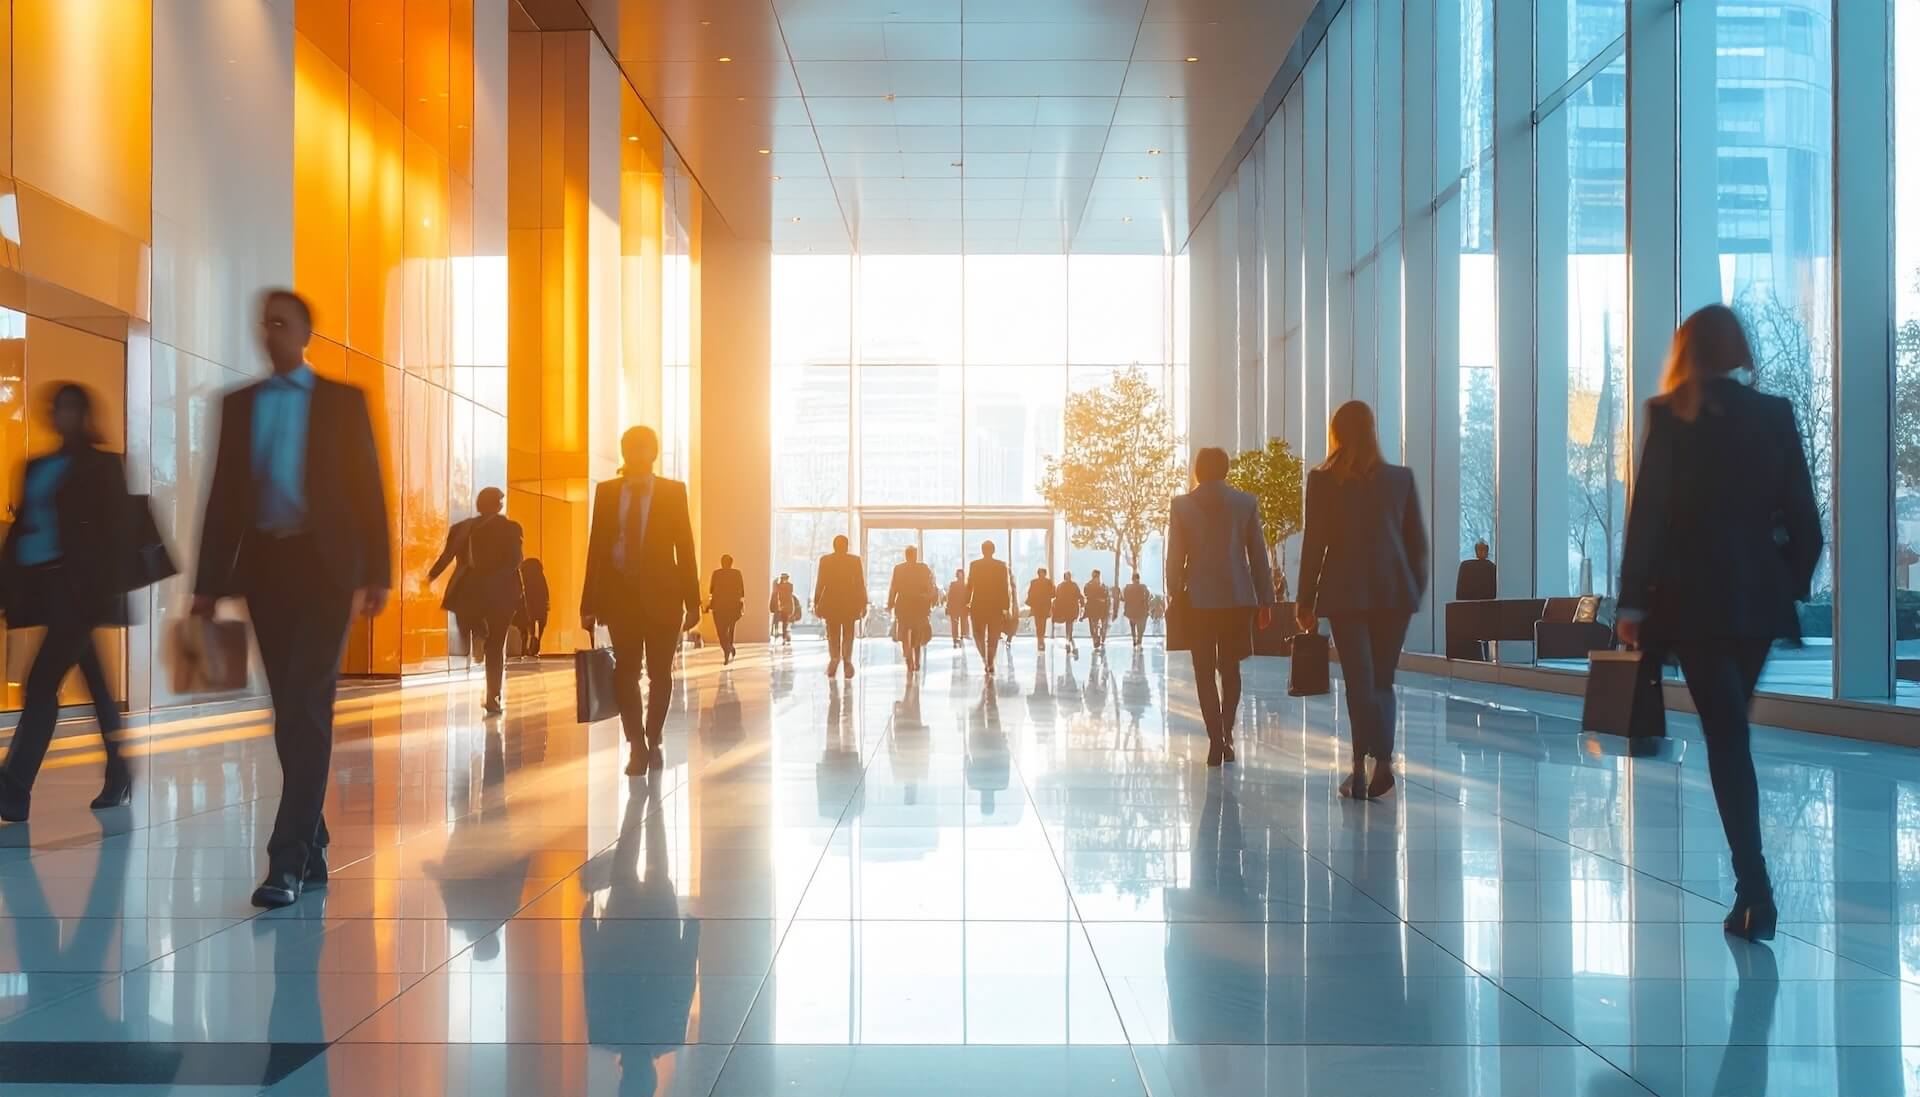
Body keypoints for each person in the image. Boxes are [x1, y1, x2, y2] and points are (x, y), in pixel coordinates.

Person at [1617, 303, 1821, 943]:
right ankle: (1752, 892)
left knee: (1726, 737)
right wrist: (1782, 581)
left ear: (1688, 353)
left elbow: (1647, 517)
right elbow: (1808, 525)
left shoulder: (1670, 417)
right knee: (1733, 734)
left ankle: (1755, 890)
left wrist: (1631, 603)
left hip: (1694, 603)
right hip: (1756, 603)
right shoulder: (1775, 415)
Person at [192, 288, 392, 908]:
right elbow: (223, 495)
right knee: (289, 711)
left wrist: (378, 571)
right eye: (264, 323)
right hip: (267, 571)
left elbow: (368, 488)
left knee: (309, 702)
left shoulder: (341, 402)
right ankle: (316, 835)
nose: (270, 332)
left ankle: (286, 861)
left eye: (282, 323)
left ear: (306, 332)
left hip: (327, 570)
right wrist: (205, 585)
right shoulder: (241, 405)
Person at [0, 384, 136, 821]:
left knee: (40, 683)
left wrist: (103, 592)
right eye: (57, 408)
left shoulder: (102, 466)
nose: (62, 416)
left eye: (71, 409)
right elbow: (22, 528)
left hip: (81, 593)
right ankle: (120, 771)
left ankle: (15, 787)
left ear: (85, 414)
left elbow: (116, 535)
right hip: (43, 588)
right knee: (94, 683)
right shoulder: (35, 466)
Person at [1294, 400, 1429, 800]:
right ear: (1373, 430)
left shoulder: (1323, 481)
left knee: (1359, 681)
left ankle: (1357, 768)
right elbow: (1417, 545)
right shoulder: (1400, 479)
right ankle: (1383, 762)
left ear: (1335, 432)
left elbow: (1314, 544)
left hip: (1345, 592)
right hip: (1394, 595)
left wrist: (1305, 600)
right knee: (1382, 680)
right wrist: (1411, 591)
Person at [581, 426, 701, 777]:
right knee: (625, 673)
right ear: (623, 452)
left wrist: (693, 602)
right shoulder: (607, 492)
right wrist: (587, 603)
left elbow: (686, 547)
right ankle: (636, 744)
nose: (636, 455)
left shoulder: (671, 491)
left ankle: (653, 733)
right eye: (630, 449)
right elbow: (596, 549)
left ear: (653, 453)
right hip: (620, 597)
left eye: (643, 449)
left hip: (664, 596)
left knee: (661, 674)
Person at [1166, 446, 1274, 768]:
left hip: (1198, 600)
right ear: (1226, 470)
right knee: (1231, 669)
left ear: (1198, 470)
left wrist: (1174, 592)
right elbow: (1258, 555)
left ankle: (1215, 739)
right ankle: (1226, 733)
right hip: (1237, 600)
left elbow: (1175, 556)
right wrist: (1266, 601)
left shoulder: (1182, 505)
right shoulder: (1245, 503)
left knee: (1203, 670)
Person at [428, 488, 523, 715]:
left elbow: (446, 556)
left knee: (469, 622)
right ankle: (493, 697)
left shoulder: (461, 529)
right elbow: (515, 561)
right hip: (502, 593)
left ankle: (478, 635)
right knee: (496, 646)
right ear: (498, 505)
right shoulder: (511, 529)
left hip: (469, 590)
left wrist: (430, 576)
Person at [813, 535, 868, 678]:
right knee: (849, 633)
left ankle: (835, 658)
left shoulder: (826, 560)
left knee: (833, 634)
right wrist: (863, 603)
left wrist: (816, 602)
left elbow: (820, 583)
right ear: (846, 545)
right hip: (850, 603)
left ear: (834, 545)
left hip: (831, 603)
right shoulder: (854, 561)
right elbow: (860, 584)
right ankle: (847, 660)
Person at [887, 545, 938, 674]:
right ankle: (917, 661)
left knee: (904, 633)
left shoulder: (898, 569)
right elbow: (929, 586)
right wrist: (930, 599)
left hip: (903, 604)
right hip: (919, 605)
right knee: (917, 633)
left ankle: (908, 658)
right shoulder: (923, 568)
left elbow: (894, 587)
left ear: (906, 555)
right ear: (915, 555)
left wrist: (890, 603)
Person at [966, 540, 1013, 675]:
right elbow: (1005, 587)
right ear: (993, 550)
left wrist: (966, 602)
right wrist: (1006, 606)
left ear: (982, 550)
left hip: (978, 605)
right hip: (995, 606)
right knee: (993, 636)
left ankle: (985, 659)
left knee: (977, 634)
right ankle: (990, 661)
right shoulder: (1001, 566)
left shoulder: (975, 565)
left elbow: (970, 585)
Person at [708, 553, 745, 665]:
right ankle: (729, 648)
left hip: (719, 607)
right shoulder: (737, 574)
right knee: (730, 630)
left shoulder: (716, 573)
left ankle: (727, 649)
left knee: (721, 631)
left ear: (722, 563)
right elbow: (742, 591)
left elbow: (711, 590)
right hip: (733, 606)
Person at [516, 557, 550, 658]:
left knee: (525, 628)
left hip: (526, 609)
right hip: (539, 609)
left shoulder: (523, 579)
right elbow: (545, 596)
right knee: (537, 627)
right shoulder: (540, 578)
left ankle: (526, 647)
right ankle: (534, 646)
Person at [1052, 571, 1083, 657]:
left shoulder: (1060, 586)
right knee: (1069, 624)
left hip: (1064, 608)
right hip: (1071, 608)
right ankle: (1068, 639)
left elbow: (1057, 597)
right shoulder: (1074, 585)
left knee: (1068, 624)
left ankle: (1068, 639)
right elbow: (1078, 595)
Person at [1026, 568, 1055, 650]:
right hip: (1043, 606)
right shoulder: (1048, 582)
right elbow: (1053, 594)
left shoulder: (1034, 582)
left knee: (1039, 624)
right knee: (1041, 624)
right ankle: (1040, 640)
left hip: (1038, 606)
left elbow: (1030, 594)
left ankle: (1040, 640)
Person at [1083, 569, 1112, 651]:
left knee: (1094, 625)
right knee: (1095, 625)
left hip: (1096, 608)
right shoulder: (1101, 586)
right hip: (1098, 608)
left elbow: (1086, 594)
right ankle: (1097, 638)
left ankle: (1097, 638)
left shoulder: (1090, 585)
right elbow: (1106, 596)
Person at [1123, 572, 1151, 647]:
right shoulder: (1144, 587)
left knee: (1133, 626)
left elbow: (1125, 598)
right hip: (1141, 611)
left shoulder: (1128, 588)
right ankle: (1139, 639)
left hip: (1131, 611)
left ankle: (1134, 639)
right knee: (1140, 627)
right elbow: (1148, 597)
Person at [945, 568, 969, 647]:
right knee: (955, 624)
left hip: (962, 606)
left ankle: (961, 636)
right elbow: (950, 596)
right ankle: (955, 638)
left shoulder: (966, 585)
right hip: (955, 607)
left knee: (962, 623)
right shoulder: (954, 584)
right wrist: (948, 606)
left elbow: (968, 597)